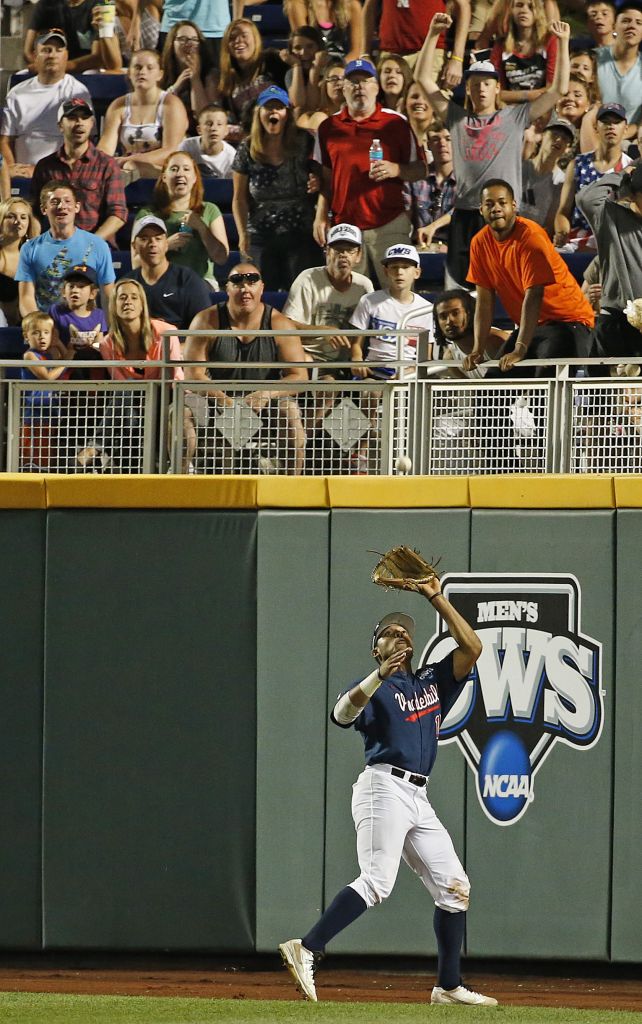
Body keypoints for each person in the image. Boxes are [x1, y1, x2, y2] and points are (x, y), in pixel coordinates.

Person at [278, 590, 497, 1007]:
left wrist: (437, 597)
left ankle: (447, 987)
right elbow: (341, 715)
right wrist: (378, 675)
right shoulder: (372, 687)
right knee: (378, 881)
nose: (397, 636)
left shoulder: (433, 681)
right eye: (388, 633)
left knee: (455, 888)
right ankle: (307, 947)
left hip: (418, 795)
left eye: (403, 633)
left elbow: (473, 646)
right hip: (383, 787)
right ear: (374, 647)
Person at [416, 12, 571, 289]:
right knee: (459, 292)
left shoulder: (515, 117)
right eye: (474, 84)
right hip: (465, 213)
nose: (480, 89)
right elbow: (422, 79)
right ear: (468, 89)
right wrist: (432, 34)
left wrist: (563, 43)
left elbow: (558, 89)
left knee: (505, 289)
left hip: (503, 214)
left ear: (498, 87)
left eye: (486, 83)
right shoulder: (457, 118)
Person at [184, 262, 309, 475]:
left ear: (262, 288)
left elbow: (300, 376)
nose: (245, 288)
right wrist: (223, 399)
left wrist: (268, 393)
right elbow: (192, 374)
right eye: (237, 281)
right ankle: (180, 479)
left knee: (289, 411)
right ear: (227, 289)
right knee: (181, 411)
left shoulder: (279, 324)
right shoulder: (206, 320)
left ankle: (292, 486)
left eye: (252, 282)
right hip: (215, 400)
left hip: (263, 402)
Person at [464, 178, 594, 376]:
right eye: (489, 204)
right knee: (488, 393)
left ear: (514, 206)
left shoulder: (531, 236)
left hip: (570, 322)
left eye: (502, 202)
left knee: (545, 384)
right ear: (481, 209)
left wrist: (520, 349)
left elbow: (534, 295)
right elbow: (484, 301)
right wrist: (478, 349)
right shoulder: (479, 243)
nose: (496, 208)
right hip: (534, 327)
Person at [314, 58, 426, 286]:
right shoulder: (328, 127)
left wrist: (396, 169)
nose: (359, 87)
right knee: (350, 300)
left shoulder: (396, 122)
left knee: (398, 294)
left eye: (365, 81)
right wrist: (320, 215)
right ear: (343, 89)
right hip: (345, 227)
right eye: (353, 82)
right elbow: (325, 180)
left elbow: (420, 169)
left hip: (389, 223)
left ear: (376, 87)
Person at [77, 278, 183, 472]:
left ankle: (95, 447)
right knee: (126, 402)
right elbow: (120, 385)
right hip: (131, 409)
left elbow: (176, 379)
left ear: (142, 304)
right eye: (122, 298)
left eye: (134, 297)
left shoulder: (166, 333)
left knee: (128, 394)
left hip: (165, 401)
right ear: (114, 305)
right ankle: (128, 472)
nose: (128, 302)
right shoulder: (108, 344)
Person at [232, 85, 319, 290]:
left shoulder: (304, 140)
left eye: (278, 108)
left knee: (301, 292)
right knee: (258, 290)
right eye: (267, 107)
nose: (273, 112)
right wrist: (243, 234)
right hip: (262, 232)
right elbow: (239, 198)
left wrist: (317, 182)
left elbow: (322, 177)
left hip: (300, 230)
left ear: (287, 113)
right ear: (259, 113)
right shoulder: (247, 147)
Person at [32, 98, 128, 241]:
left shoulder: (107, 164)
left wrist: (91, 243)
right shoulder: (45, 166)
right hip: (54, 246)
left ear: (92, 123)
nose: (79, 123)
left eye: (84, 118)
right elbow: (35, 211)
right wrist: (37, 246)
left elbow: (118, 213)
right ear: (60, 125)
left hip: (95, 246)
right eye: (72, 118)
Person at [0, 29, 91, 178]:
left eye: (58, 50)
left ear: (66, 55)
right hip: (22, 176)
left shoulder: (78, 91)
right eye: (46, 50)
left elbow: (82, 142)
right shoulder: (17, 94)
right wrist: (11, 170)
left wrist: (40, 170)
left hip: (63, 173)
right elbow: (5, 140)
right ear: (35, 56)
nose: (52, 55)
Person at [283, 222, 374, 371]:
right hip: (309, 356)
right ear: (327, 252)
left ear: (359, 255)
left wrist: (356, 355)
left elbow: (366, 328)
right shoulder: (307, 278)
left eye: (350, 250)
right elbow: (286, 325)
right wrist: (323, 330)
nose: (343, 254)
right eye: (337, 249)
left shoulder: (364, 285)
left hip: (345, 362)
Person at [16, 181, 116, 316]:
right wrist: (39, 327)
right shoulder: (29, 248)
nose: (62, 206)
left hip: (86, 330)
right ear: (43, 209)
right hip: (46, 329)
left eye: (67, 201)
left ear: (77, 207)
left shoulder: (98, 245)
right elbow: (26, 297)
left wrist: (109, 331)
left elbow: (108, 295)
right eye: (54, 202)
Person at [575, 165, 642, 360]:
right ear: (633, 194)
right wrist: (622, 175)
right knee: (603, 387)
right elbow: (586, 198)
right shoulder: (610, 216)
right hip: (616, 320)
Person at [134, 151, 229, 285]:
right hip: (158, 282)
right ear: (164, 177)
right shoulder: (147, 213)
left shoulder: (209, 210)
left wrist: (201, 227)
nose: (180, 174)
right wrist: (165, 246)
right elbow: (135, 264)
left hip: (200, 283)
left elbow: (221, 257)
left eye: (186, 169)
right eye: (174, 169)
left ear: (195, 177)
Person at [98, 49, 189, 178]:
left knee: (131, 166)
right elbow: (106, 146)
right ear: (129, 73)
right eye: (137, 67)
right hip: (126, 169)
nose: (142, 72)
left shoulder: (171, 104)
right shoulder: (118, 105)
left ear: (160, 74)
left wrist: (130, 160)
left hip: (166, 171)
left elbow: (171, 151)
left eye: (149, 68)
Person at [349, 242, 434, 378]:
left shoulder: (426, 309)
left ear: (417, 273)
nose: (399, 272)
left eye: (405, 267)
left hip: (408, 372)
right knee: (372, 394)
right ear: (385, 271)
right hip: (374, 369)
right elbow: (356, 345)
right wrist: (357, 360)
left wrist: (407, 373)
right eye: (394, 267)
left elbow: (426, 357)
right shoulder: (369, 300)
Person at [553, 102, 631, 249]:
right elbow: (563, 211)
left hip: (614, 244)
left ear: (626, 128)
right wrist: (562, 232)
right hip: (576, 241)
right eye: (605, 122)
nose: (611, 126)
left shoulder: (630, 168)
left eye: (616, 122)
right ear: (595, 127)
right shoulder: (577, 164)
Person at [129, 215, 213, 330]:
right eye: (144, 239)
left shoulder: (188, 280)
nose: (152, 244)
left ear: (166, 244)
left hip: (181, 345)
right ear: (134, 246)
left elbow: (204, 330)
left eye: (158, 238)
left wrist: (179, 348)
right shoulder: (127, 284)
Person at [363, 0, 471, 87]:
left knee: (427, 105)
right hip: (389, 54)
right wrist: (364, 53)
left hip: (430, 53)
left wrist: (457, 59)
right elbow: (369, 7)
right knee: (388, 109)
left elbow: (463, 6)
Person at [20, 309, 77, 471]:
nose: (42, 337)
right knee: (35, 456)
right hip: (35, 415)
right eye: (36, 333)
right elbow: (48, 376)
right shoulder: (30, 356)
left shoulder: (50, 354)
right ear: (26, 336)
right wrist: (66, 361)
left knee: (50, 455)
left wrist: (58, 342)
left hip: (52, 413)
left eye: (46, 333)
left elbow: (66, 364)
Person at [214, 19, 289, 143]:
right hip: (248, 136)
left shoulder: (272, 60)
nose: (238, 41)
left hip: (278, 128)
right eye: (232, 38)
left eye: (244, 35)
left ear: (255, 39)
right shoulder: (226, 77)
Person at [24, 0, 122, 74]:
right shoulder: (46, 4)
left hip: (85, 72)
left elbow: (98, 58)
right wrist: (41, 66)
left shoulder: (99, 5)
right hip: (51, 70)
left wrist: (61, 66)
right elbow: (28, 52)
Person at [489, 0, 559, 103]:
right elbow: (495, 92)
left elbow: (553, 89)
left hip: (542, 107)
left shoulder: (549, 41)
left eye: (530, 7)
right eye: (519, 5)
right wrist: (530, 95)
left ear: (539, 12)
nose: (524, 10)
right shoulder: (500, 45)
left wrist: (512, 95)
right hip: (510, 110)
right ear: (511, 10)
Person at [161, 21, 218, 135]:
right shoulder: (161, 72)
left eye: (194, 39)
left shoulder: (210, 75)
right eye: (182, 39)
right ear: (172, 43)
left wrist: (195, 79)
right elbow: (155, 112)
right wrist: (175, 88)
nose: (189, 44)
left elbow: (204, 117)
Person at [520, 116, 574, 235]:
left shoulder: (561, 181)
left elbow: (551, 224)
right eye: (554, 134)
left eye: (564, 139)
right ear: (542, 136)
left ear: (567, 149)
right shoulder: (519, 168)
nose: (559, 140)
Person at [595, 5, 642, 132]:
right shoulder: (593, 59)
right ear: (614, 26)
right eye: (626, 21)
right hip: (592, 133)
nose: (632, 26)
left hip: (631, 139)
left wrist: (623, 135)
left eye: (639, 23)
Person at [412, 119, 456, 249]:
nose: (442, 144)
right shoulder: (417, 178)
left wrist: (433, 226)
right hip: (421, 247)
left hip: (456, 247)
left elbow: (463, 212)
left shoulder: (467, 178)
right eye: (436, 139)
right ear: (428, 145)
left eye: (448, 139)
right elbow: (408, 215)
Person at [0, 198, 41, 326]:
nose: (18, 222)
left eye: (23, 217)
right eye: (11, 217)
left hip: (31, 326)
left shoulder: (36, 255)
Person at [284, 0, 364, 61]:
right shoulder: (297, 3)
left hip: (341, 63)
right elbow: (304, 49)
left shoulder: (351, 4)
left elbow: (356, 51)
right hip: (309, 64)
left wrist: (341, 68)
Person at [179, 105, 236, 178]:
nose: (213, 128)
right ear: (199, 130)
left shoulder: (231, 157)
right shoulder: (186, 147)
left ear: (226, 130)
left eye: (219, 124)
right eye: (209, 124)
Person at [295, 55, 345, 132]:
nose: (339, 83)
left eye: (344, 79)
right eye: (333, 79)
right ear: (325, 86)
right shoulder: (309, 117)